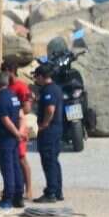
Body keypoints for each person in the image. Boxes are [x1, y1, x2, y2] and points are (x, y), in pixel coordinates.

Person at [0, 71, 24, 210]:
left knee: (7, 167)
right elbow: (21, 115)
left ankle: (8, 198)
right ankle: (18, 196)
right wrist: (20, 132)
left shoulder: (1, 98)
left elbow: (5, 119)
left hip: (6, 137)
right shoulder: (13, 95)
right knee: (16, 166)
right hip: (14, 137)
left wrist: (16, 133)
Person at [32, 63, 65, 203]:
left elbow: (50, 109)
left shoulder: (48, 90)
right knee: (54, 160)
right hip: (57, 128)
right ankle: (57, 191)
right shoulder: (56, 88)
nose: (35, 79)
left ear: (41, 76)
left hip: (49, 130)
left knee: (48, 161)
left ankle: (51, 192)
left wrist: (44, 124)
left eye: (36, 76)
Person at [2, 59, 34, 200]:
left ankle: (29, 189)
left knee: (21, 158)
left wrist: (13, 113)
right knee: (8, 159)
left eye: (4, 71)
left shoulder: (21, 87)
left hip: (19, 126)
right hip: (7, 127)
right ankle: (9, 187)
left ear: (10, 71)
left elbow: (27, 108)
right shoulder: (5, 86)